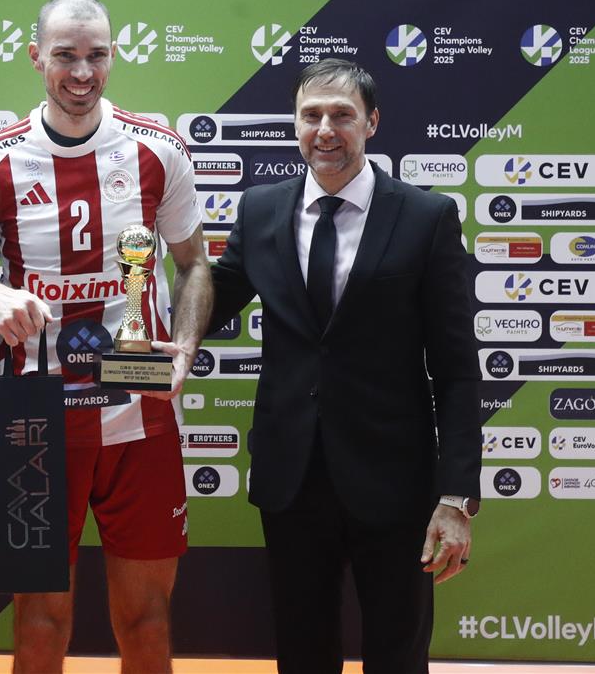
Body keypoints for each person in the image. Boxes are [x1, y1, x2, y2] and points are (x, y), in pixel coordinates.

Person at [0, 0, 213, 673]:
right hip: (34, 417)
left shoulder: (159, 150)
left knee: (147, 621)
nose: (82, 72)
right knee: (38, 625)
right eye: (65, 55)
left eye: (96, 55)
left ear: (113, 56)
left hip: (139, 402)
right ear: (36, 57)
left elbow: (194, 265)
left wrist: (184, 348)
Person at [205, 58, 481, 672]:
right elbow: (211, 303)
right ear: (295, 123)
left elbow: (458, 370)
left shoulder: (425, 216)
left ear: (371, 123)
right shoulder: (260, 209)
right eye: (311, 116)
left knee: (397, 655)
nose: (325, 130)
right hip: (291, 476)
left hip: (396, 481)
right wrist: (132, 313)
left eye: (342, 115)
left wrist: (457, 496)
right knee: (302, 653)